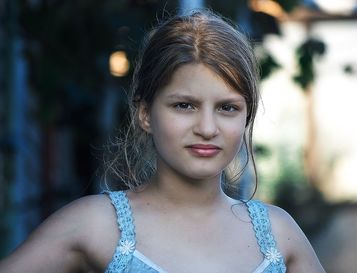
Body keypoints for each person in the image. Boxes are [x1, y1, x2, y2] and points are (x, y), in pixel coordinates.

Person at [0, 9, 325, 273]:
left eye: (228, 108)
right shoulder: (95, 226)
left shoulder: (278, 236)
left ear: (246, 116)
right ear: (145, 113)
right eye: (184, 105)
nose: (207, 128)